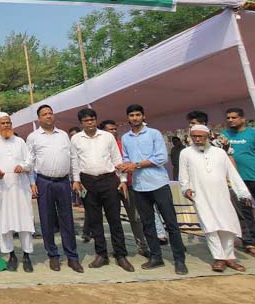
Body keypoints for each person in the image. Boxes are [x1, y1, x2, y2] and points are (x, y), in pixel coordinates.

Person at [119, 105, 187, 275]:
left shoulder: (154, 134)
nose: (135, 118)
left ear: (143, 116)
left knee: (170, 223)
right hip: (139, 186)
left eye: (137, 115)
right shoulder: (126, 138)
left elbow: (161, 158)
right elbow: (126, 159)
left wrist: (136, 165)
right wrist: (125, 167)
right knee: (147, 223)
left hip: (158, 183)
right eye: (131, 115)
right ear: (128, 118)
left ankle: (179, 260)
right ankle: (156, 257)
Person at [179, 124, 251, 272]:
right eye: (194, 136)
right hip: (200, 196)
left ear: (208, 136)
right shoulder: (185, 153)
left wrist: (243, 193)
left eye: (200, 136)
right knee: (210, 227)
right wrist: (185, 188)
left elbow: (232, 174)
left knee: (228, 226)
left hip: (221, 196)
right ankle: (219, 258)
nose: (197, 139)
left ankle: (230, 257)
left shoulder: (219, 153)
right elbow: (183, 174)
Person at [71, 108, 134, 272]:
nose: (90, 122)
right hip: (87, 182)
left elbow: (117, 158)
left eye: (92, 119)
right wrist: (76, 180)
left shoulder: (107, 137)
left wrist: (123, 180)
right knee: (94, 220)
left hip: (109, 180)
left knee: (115, 219)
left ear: (96, 120)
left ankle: (120, 255)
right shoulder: (76, 139)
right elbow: (75, 161)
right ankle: (101, 254)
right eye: (86, 120)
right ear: (81, 123)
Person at [187, 109, 255, 257]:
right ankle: (222, 251)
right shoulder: (192, 143)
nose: (191, 127)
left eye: (193, 123)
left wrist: (234, 182)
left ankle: (250, 242)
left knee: (241, 212)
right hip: (206, 188)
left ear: (203, 124)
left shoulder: (220, 139)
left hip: (229, 184)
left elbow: (230, 159)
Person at [27, 106, 84, 273]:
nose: (48, 116)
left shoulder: (64, 135)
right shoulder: (33, 137)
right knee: (47, 219)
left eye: (50, 113)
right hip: (44, 182)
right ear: (39, 118)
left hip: (63, 182)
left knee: (67, 219)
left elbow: (73, 157)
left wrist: (76, 179)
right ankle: (53, 255)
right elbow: (29, 162)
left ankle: (72, 257)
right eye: (44, 114)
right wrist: (32, 183)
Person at [0, 112, 35, 273]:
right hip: (3, 189)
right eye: (3, 123)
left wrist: (22, 166)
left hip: (21, 187)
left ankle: (27, 256)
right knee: (5, 222)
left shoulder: (20, 141)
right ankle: (11, 255)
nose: (6, 125)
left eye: (8, 123)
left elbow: (30, 160)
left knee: (25, 221)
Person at [98, 120, 150, 258]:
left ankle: (142, 246)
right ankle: (118, 248)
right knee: (113, 219)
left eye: (115, 129)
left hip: (129, 185)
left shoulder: (125, 143)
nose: (114, 132)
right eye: (110, 130)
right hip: (109, 187)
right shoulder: (99, 146)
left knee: (135, 217)